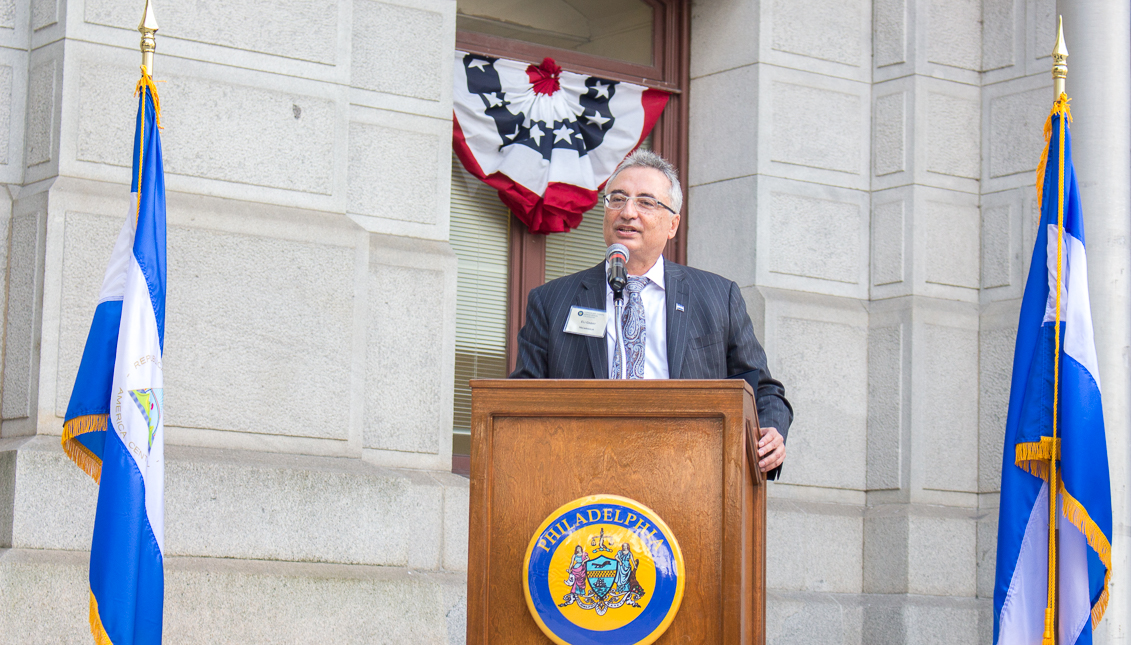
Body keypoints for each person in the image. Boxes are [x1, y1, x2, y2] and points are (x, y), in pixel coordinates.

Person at [510, 149, 792, 477]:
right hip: (580, 473)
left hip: (687, 475)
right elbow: (523, 400)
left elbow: (765, 389)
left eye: (645, 202)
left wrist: (772, 431)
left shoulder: (716, 297)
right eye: (617, 199)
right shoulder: (552, 301)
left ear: (672, 224)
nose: (627, 212)